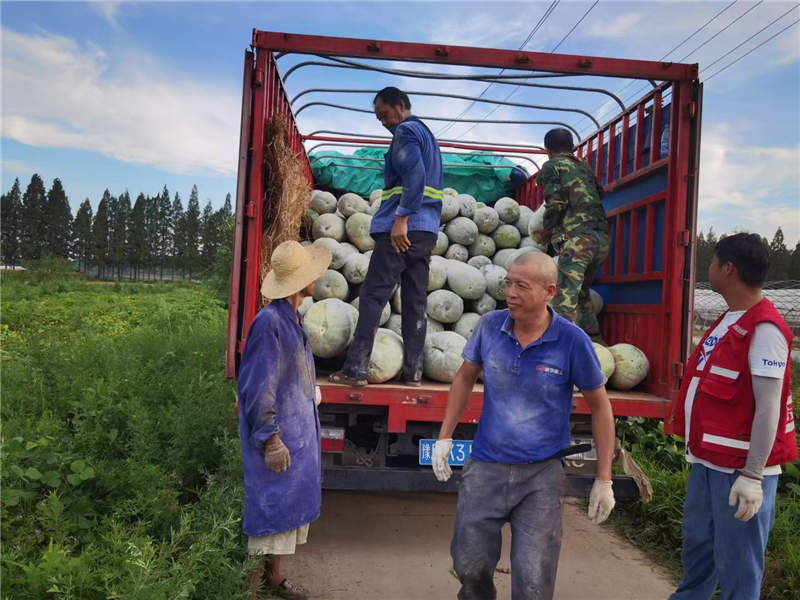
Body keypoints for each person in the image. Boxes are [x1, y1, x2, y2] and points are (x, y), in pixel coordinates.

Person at [432, 251, 616, 600]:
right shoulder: (490, 326)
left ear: (549, 292)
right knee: (470, 568)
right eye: (508, 283)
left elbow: (601, 408)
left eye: (521, 285)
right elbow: (464, 377)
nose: (511, 293)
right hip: (486, 467)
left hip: (541, 476)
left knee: (533, 581)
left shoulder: (572, 340)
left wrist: (604, 479)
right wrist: (445, 436)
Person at [669, 233, 797, 600]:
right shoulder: (730, 318)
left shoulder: (765, 328)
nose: (708, 267)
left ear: (728, 269)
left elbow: (769, 406)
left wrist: (753, 475)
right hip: (709, 464)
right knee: (698, 552)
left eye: (713, 261)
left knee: (739, 568)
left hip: (739, 473)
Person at [237, 240, 332, 600]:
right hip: (280, 437)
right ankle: (249, 591)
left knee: (287, 513)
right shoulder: (268, 324)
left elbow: (291, 374)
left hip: (299, 435)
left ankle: (273, 580)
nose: (316, 277)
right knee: (268, 515)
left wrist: (310, 391)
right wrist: (271, 439)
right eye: (311, 273)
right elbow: (257, 387)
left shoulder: (294, 318)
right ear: (299, 283)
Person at [330, 86, 443, 387]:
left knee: (373, 296)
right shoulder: (427, 135)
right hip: (427, 230)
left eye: (384, 114)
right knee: (416, 301)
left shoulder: (405, 133)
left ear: (401, 105)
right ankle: (413, 372)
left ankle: (355, 370)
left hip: (403, 229)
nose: (383, 121)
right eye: (378, 117)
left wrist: (400, 219)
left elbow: (415, 176)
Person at [534, 128, 609, 342]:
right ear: (572, 148)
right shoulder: (584, 168)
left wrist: (548, 231)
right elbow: (600, 193)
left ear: (548, 150)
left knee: (564, 299)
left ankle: (560, 350)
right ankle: (596, 343)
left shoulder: (552, 166)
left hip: (579, 242)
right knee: (582, 295)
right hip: (602, 240)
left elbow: (555, 204)